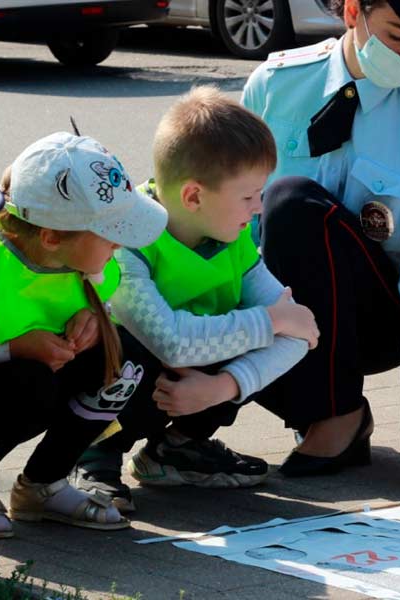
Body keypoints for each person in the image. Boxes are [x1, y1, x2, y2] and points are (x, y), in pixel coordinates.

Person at [241, 0, 400, 495]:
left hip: (369, 320)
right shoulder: (275, 85)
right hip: (273, 300)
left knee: (290, 203)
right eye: (397, 36)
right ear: (353, 11)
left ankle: (339, 415)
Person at [0, 132, 168, 539]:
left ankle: (44, 484)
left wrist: (95, 323)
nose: (120, 241)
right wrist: (12, 349)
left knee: (124, 357)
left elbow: (98, 303)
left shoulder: (87, 258)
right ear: (50, 237)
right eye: (110, 230)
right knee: (28, 383)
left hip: (11, 387)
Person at [75, 87, 319, 512]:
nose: (259, 208)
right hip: (117, 371)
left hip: (186, 382)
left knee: (246, 330)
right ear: (193, 197)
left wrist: (222, 387)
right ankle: (91, 455)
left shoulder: (233, 237)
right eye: (248, 197)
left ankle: (176, 449)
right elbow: (170, 341)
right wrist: (273, 322)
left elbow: (301, 331)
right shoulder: (126, 240)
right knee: (132, 348)